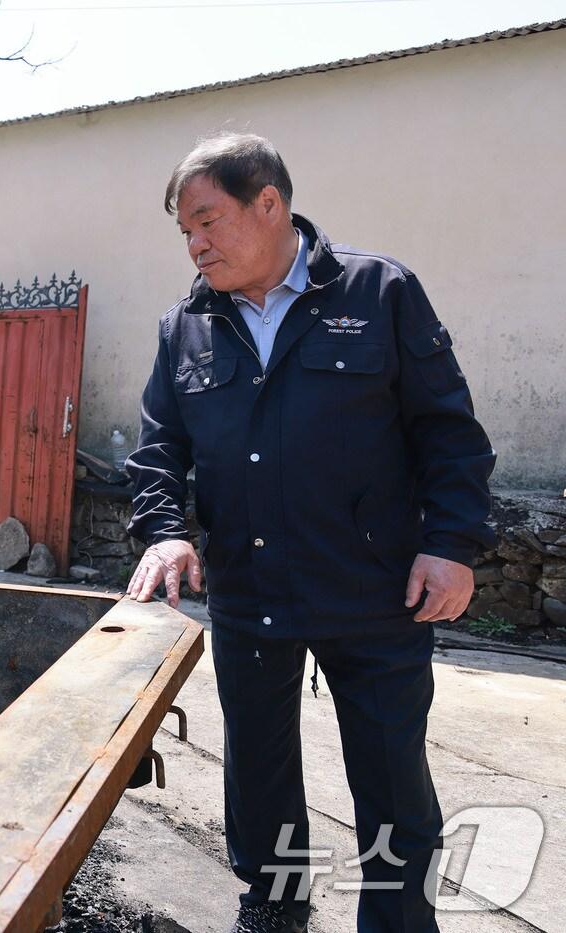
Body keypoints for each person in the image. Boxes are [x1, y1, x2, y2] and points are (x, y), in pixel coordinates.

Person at [124, 133, 495, 933]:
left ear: (269, 203)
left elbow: (450, 434)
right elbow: (157, 448)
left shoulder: (379, 292)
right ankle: (275, 904)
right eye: (185, 231)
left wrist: (451, 545)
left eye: (208, 221)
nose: (195, 245)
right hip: (250, 587)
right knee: (258, 769)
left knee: (392, 779)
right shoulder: (186, 325)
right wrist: (163, 531)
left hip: (373, 588)